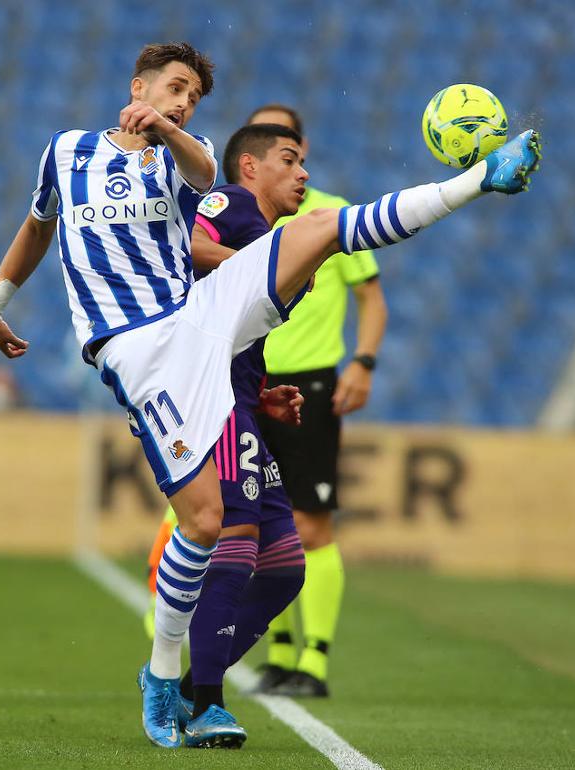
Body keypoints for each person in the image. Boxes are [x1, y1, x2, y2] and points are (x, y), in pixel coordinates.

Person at [0, 42, 541, 749]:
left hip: (199, 314)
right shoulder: (65, 151)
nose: (184, 102)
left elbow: (204, 170)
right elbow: (38, 225)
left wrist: (169, 129)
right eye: (175, 89)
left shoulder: (189, 154)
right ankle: (166, 676)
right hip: (136, 347)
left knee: (319, 230)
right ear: (138, 85)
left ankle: (482, 179)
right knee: (208, 523)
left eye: (193, 96)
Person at [151, 122, 315, 748]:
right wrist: (261, 263)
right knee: (237, 540)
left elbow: (235, 324)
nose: (303, 173)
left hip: (243, 400)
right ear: (249, 165)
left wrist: (264, 391)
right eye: (289, 159)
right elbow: (189, 245)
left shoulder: (270, 236)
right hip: (210, 402)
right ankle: (207, 705)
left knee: (283, 568)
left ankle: (194, 688)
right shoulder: (231, 202)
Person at [246, 104, 386, 698]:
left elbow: (372, 300)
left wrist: (363, 360)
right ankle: (277, 657)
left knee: (311, 522)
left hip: (309, 384)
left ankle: (316, 662)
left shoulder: (331, 215)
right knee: (254, 525)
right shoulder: (237, 215)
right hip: (247, 381)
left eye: (291, 143)